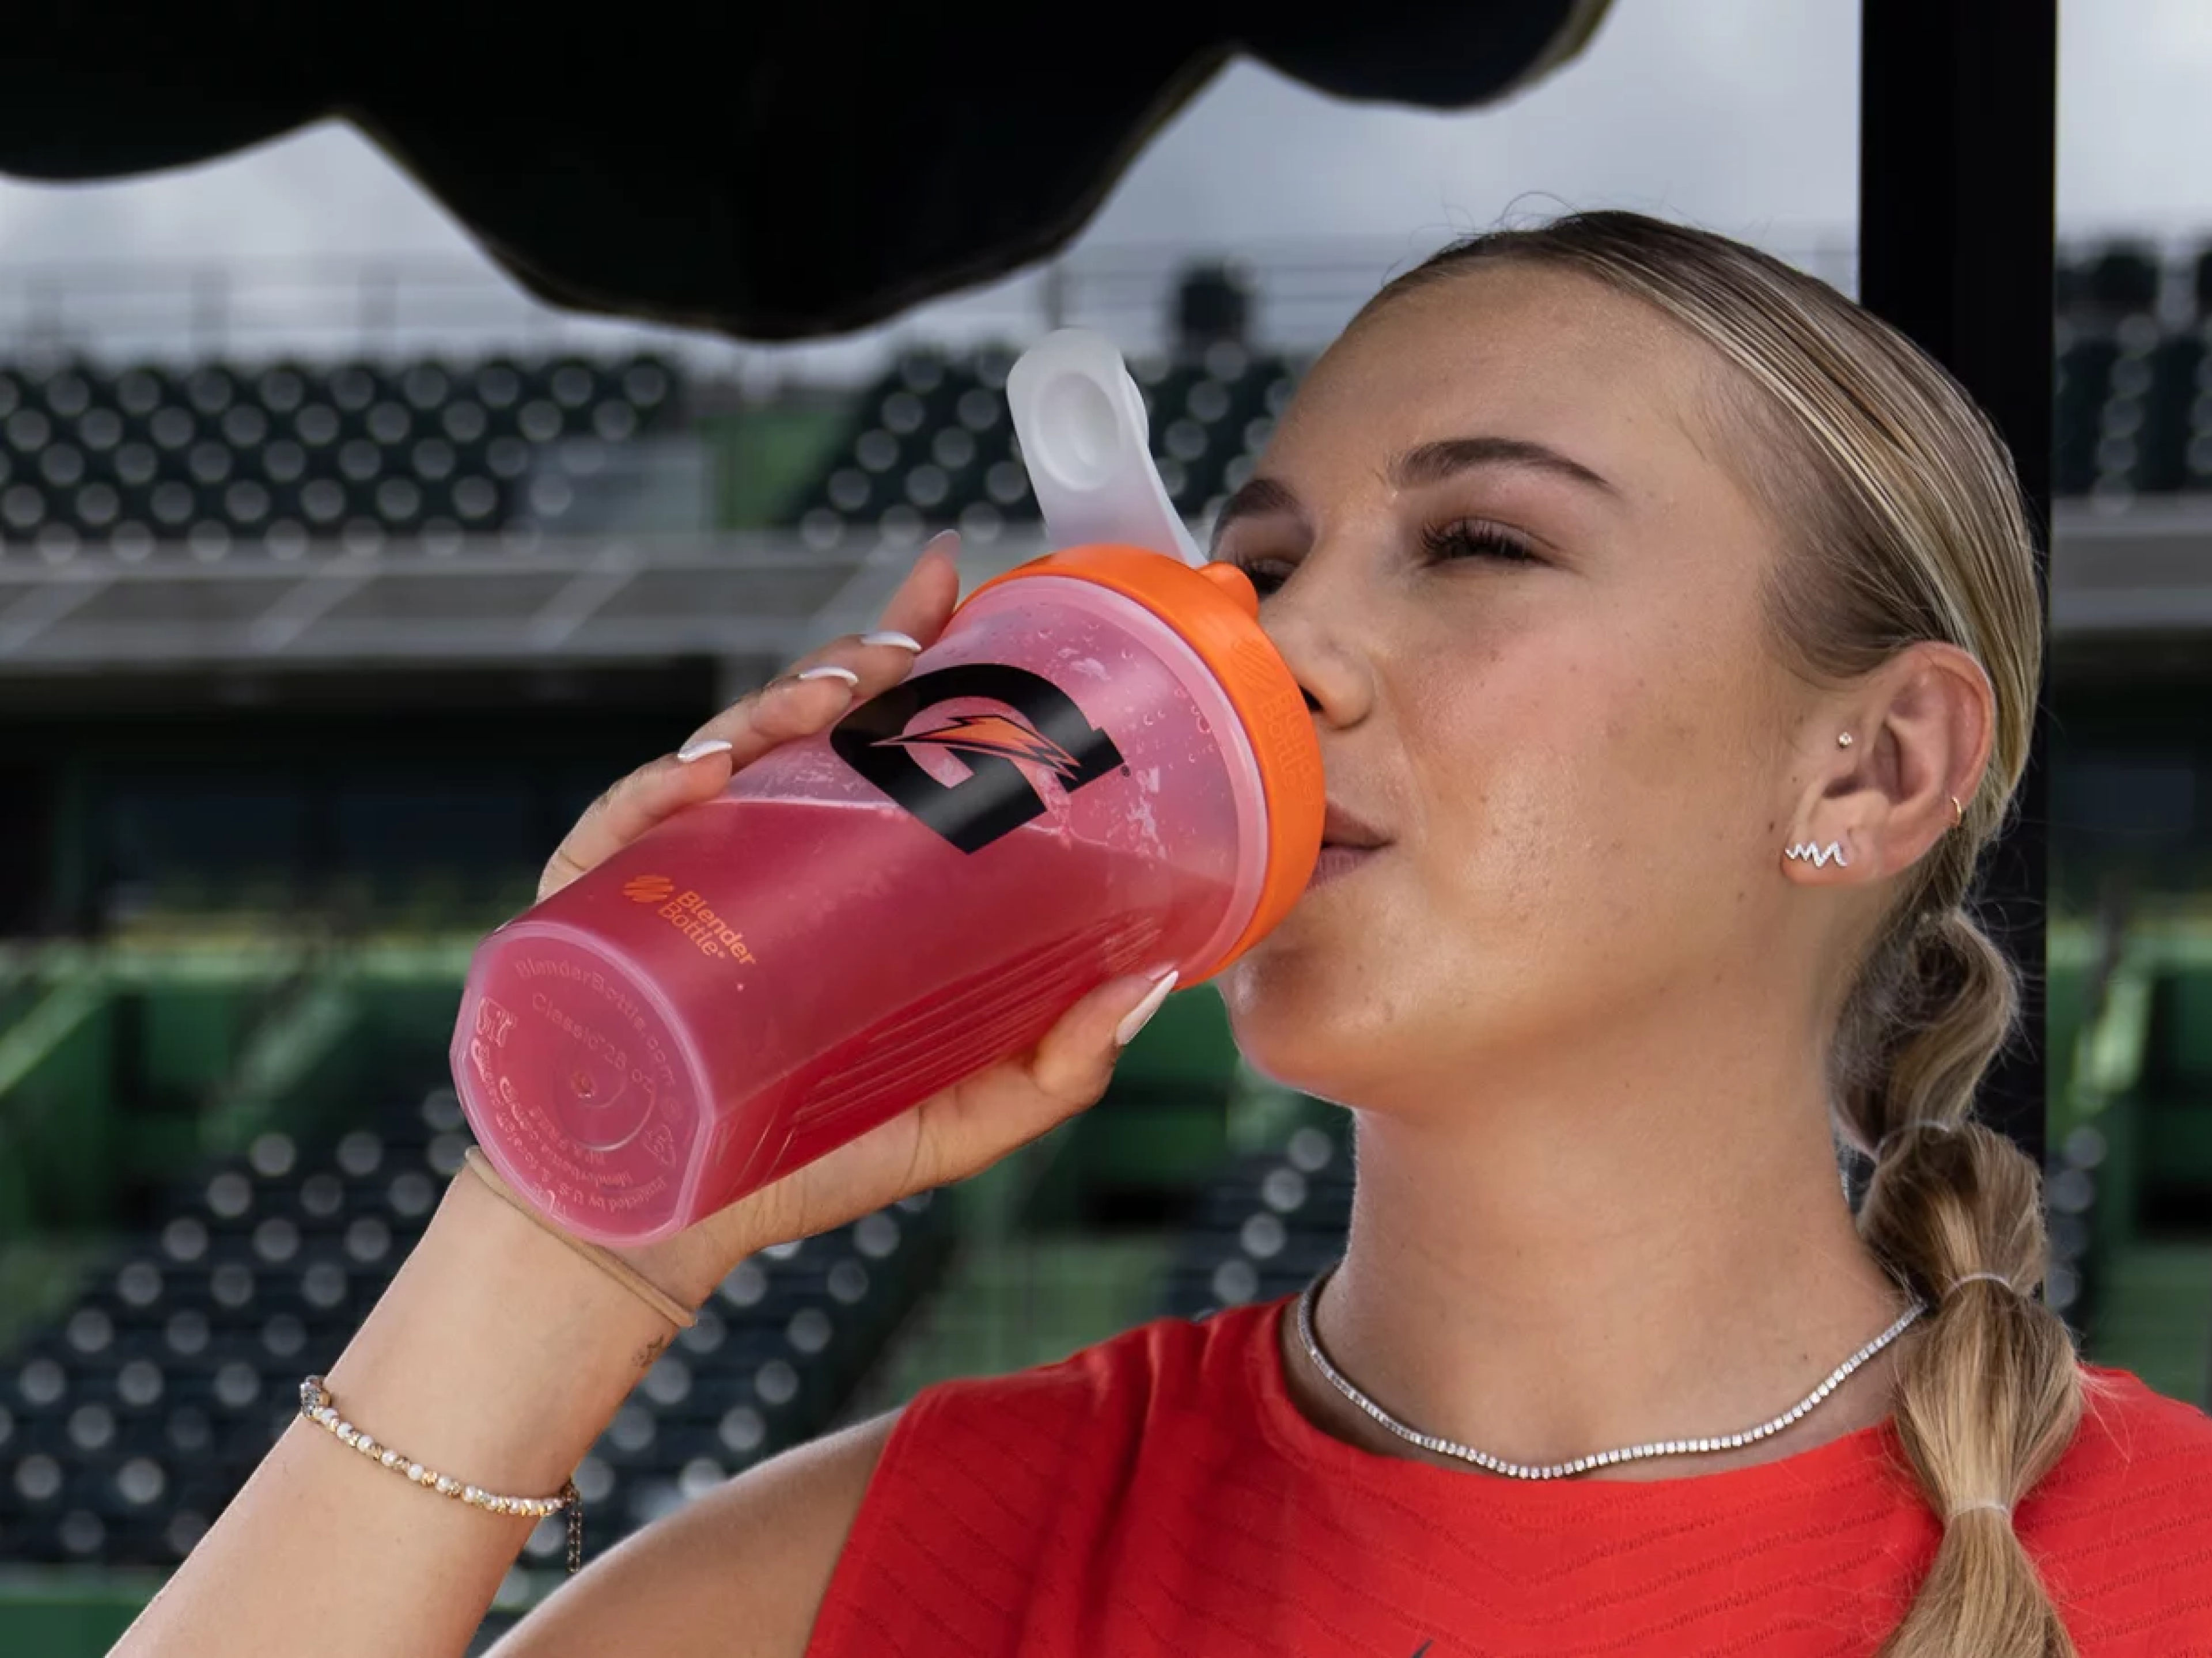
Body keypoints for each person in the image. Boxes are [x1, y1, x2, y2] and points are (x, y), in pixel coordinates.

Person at [116, 211, 2212, 1658]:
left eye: (1480, 542)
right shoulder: (921, 1560)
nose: (1283, 653)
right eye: (1249, 567)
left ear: (1869, 770)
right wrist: (577, 1226)